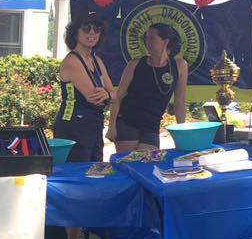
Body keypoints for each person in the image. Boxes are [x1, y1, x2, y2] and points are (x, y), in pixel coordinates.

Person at [107, 23, 187, 152]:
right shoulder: (135, 64)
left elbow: (179, 102)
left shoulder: (179, 65)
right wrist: (111, 127)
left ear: (165, 41)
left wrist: (182, 132)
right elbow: (118, 96)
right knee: (130, 164)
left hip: (152, 126)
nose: (147, 42)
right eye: (146, 39)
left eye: (152, 38)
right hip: (128, 121)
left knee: (148, 163)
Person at [53, 11, 115, 161]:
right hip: (73, 127)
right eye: (86, 28)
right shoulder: (72, 61)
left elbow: (113, 94)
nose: (92, 32)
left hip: (94, 125)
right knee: (78, 173)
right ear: (75, 32)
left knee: (95, 171)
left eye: (97, 28)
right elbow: (95, 98)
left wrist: (108, 94)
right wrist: (108, 95)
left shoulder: (96, 60)